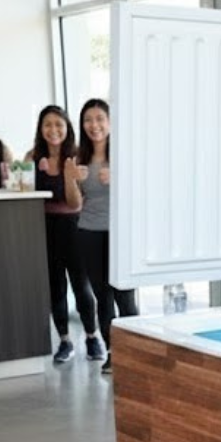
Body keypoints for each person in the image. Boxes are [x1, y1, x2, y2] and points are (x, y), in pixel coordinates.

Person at [63, 99, 138, 374]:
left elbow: (140, 194)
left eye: (99, 119)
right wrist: (69, 178)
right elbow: (73, 204)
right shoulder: (77, 157)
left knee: (125, 297)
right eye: (88, 120)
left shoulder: (124, 156)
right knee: (102, 297)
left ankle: (136, 353)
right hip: (89, 233)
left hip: (121, 235)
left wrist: (120, 178)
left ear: (109, 122)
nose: (94, 125)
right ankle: (113, 352)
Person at [26, 105, 104, 364]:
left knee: (81, 285)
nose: (53, 130)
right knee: (55, 287)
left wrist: (69, 174)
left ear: (68, 128)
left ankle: (92, 337)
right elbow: (24, 195)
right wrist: (27, 173)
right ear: (40, 129)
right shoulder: (32, 157)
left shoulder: (77, 157)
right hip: (44, 228)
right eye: (47, 125)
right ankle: (64, 341)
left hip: (74, 226)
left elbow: (75, 203)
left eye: (58, 124)